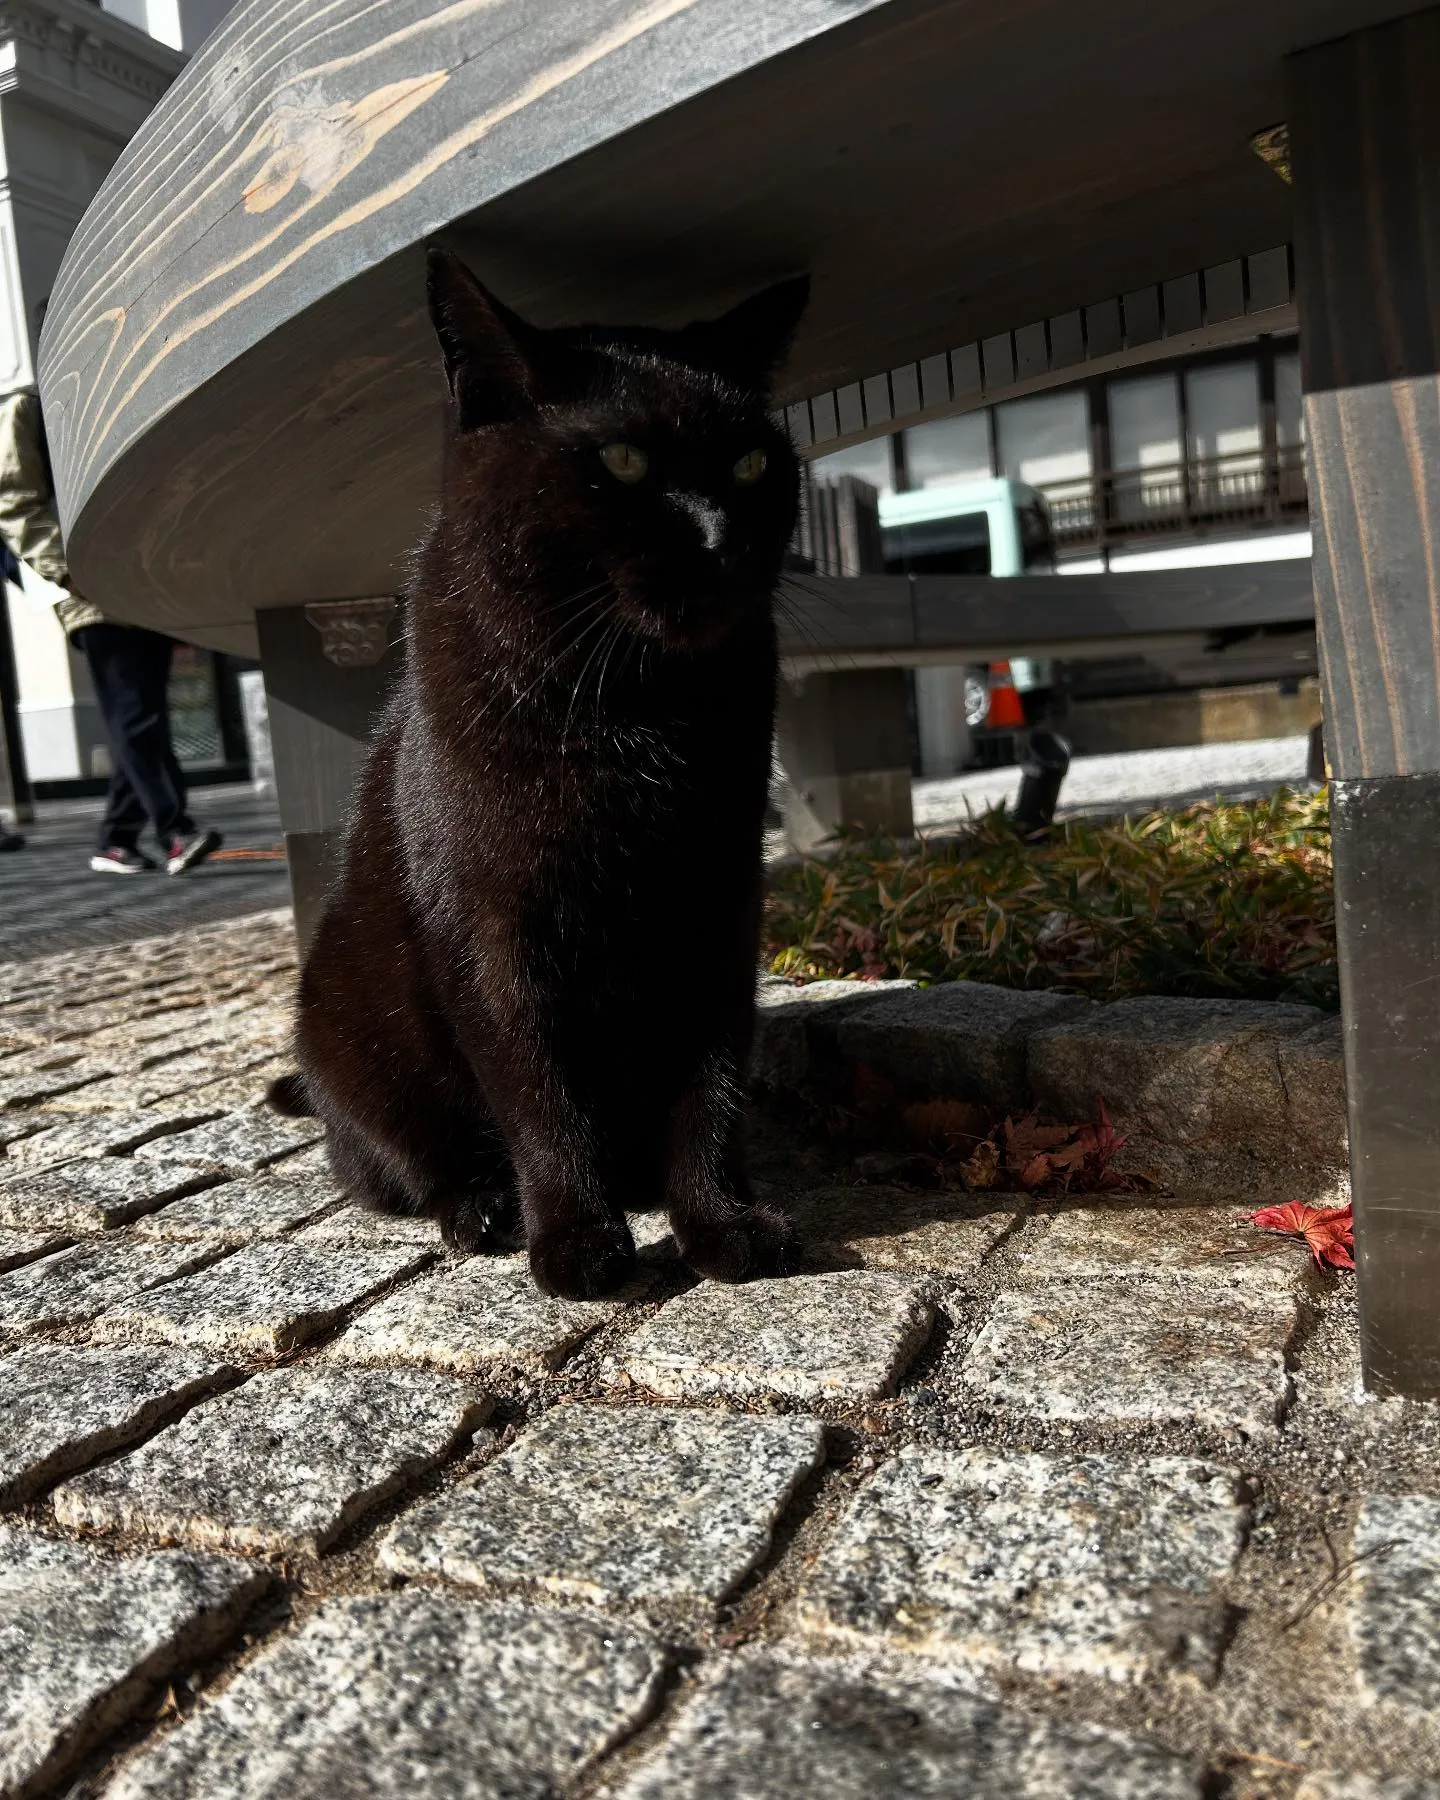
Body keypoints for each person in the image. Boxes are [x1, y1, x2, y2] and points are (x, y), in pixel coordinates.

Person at [0, 383, 220, 875]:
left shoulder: (120, 391)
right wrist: (66, 571)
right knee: (136, 718)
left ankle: (116, 840)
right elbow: (14, 503)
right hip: (90, 592)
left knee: (141, 718)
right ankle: (175, 832)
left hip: (142, 584)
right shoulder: (26, 407)